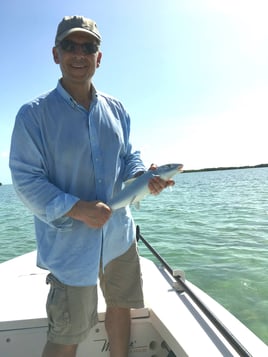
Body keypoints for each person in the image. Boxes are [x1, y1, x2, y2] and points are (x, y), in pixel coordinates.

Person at [9, 15, 174, 357]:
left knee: (121, 306)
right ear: (56, 54)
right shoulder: (32, 115)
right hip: (70, 245)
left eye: (89, 47)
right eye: (70, 45)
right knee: (67, 330)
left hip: (119, 236)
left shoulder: (118, 109)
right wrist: (78, 208)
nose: (79, 54)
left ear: (99, 57)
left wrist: (143, 176)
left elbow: (129, 155)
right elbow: (26, 179)